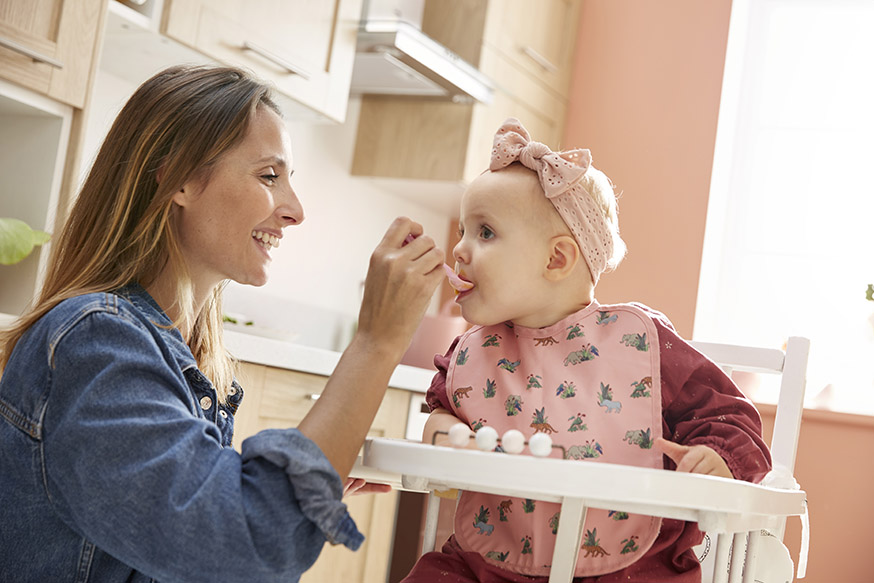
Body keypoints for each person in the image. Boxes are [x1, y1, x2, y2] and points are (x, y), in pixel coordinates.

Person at [0, 64, 444, 582]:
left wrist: (282, 496)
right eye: (268, 176)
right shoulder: (96, 342)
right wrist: (376, 342)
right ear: (180, 179)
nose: (295, 210)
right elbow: (244, 554)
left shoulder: (168, 350)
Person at [403, 118, 771, 582]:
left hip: (631, 568)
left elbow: (729, 416)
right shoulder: (473, 351)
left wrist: (717, 458)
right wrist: (443, 436)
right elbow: (444, 412)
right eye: (463, 231)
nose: (459, 249)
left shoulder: (641, 342)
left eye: (485, 233)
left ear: (557, 259)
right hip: (488, 564)